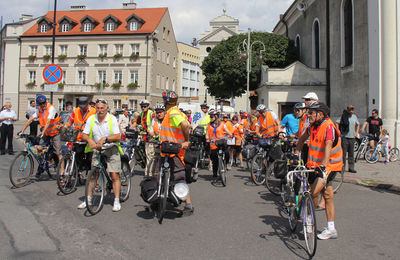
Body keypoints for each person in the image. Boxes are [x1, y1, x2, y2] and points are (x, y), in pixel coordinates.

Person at [296, 102, 343, 240]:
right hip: (314, 166)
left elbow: (328, 146)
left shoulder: (328, 127)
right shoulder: (313, 127)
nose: (308, 115)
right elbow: (303, 138)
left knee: (312, 193)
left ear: (320, 114)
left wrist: (323, 165)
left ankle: (309, 221)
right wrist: (297, 151)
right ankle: (331, 228)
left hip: (329, 166)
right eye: (308, 112)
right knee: (328, 195)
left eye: (311, 113)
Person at [78, 99, 124, 212]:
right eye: (98, 108)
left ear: (106, 108)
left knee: (114, 175)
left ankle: (116, 200)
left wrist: (106, 138)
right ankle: (88, 199)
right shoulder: (92, 118)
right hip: (98, 149)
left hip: (111, 148)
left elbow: (118, 136)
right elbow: (84, 134)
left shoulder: (111, 119)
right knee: (92, 175)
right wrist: (89, 140)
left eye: (102, 108)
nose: (99, 110)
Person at [159, 90, 194, 215]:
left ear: (165, 102)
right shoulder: (178, 112)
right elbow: (188, 126)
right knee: (177, 177)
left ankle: (188, 204)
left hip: (174, 151)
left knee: (179, 177)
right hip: (171, 149)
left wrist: (186, 140)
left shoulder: (173, 113)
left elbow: (185, 125)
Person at [20, 95, 62, 177]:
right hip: (46, 133)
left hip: (55, 133)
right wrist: (22, 131)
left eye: (43, 103)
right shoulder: (39, 110)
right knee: (39, 147)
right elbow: (30, 120)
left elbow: (48, 122)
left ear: (46, 102)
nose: (42, 105)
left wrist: (42, 132)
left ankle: (62, 172)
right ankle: (42, 162)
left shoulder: (51, 108)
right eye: (40, 104)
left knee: (58, 152)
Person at [62, 96, 97, 171]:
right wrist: (65, 127)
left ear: (88, 104)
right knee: (77, 157)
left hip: (89, 139)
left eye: (84, 107)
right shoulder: (76, 110)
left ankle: (90, 174)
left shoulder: (94, 111)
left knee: (90, 159)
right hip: (77, 138)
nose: (82, 108)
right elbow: (70, 122)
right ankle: (77, 172)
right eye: (81, 107)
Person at [132, 100, 155, 174]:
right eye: (142, 106)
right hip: (144, 137)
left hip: (150, 138)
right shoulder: (141, 114)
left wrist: (150, 132)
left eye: (145, 106)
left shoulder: (151, 114)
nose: (143, 108)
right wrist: (131, 128)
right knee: (144, 152)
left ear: (148, 106)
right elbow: (136, 122)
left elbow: (155, 125)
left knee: (150, 156)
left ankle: (149, 173)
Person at [206, 110, 232, 178]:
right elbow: (207, 134)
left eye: (212, 116)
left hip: (221, 143)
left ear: (216, 116)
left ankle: (225, 164)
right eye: (210, 116)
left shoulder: (222, 124)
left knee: (226, 153)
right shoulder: (208, 125)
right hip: (213, 144)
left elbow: (228, 131)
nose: (210, 117)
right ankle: (215, 173)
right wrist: (207, 139)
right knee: (214, 159)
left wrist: (230, 135)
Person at [335, 105, 359, 173]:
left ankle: (351, 168)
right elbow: (337, 123)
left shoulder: (354, 116)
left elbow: (358, 124)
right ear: (348, 110)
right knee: (343, 153)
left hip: (352, 137)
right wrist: (338, 131)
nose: (351, 111)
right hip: (345, 137)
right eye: (350, 110)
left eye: (352, 110)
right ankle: (342, 168)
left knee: (351, 154)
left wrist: (356, 132)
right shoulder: (344, 116)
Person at [147, 104, 165, 176]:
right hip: (157, 143)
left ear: (164, 112)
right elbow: (151, 131)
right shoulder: (154, 120)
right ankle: (154, 175)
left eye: (160, 112)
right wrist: (155, 136)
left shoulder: (167, 120)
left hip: (166, 143)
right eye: (157, 112)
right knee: (155, 159)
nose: (159, 114)